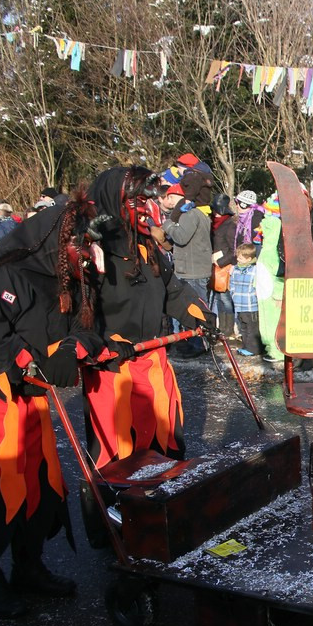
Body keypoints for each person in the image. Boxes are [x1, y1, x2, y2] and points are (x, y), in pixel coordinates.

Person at [0, 194, 109, 618]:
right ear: (60, 239)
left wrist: (73, 348)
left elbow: (89, 328)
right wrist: (26, 359)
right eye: (83, 244)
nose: (89, 255)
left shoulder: (72, 280)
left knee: (38, 487)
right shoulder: (4, 273)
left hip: (29, 399)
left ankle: (28, 566)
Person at [82, 168, 215, 473]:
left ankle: (165, 503)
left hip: (153, 363)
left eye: (147, 201)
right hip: (113, 369)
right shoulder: (91, 252)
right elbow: (77, 313)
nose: (146, 208)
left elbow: (171, 290)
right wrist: (105, 340)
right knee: (119, 453)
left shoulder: (145, 246)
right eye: (138, 200)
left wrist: (200, 314)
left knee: (163, 445)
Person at [161, 170, 215, 357]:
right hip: (194, 268)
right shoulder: (196, 213)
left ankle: (199, 345)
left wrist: (167, 225)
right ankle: (197, 344)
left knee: (196, 310)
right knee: (197, 309)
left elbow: (181, 237)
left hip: (192, 271)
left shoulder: (190, 214)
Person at [256, 193, 286, 363]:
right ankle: (274, 348)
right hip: (267, 271)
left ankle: (275, 349)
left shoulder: (273, 224)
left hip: (268, 271)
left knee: (270, 313)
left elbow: (275, 255)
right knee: (270, 312)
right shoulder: (277, 224)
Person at [209, 193, 237, 341]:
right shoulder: (213, 224)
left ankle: (229, 328)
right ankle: (223, 327)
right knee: (219, 298)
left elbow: (234, 249)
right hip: (215, 265)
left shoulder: (230, 225)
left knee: (225, 298)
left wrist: (220, 262)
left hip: (224, 265)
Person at [230, 243, 261, 356]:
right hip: (239, 304)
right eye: (238, 256)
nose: (238, 258)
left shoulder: (254, 270)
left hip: (251, 305)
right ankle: (246, 346)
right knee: (243, 327)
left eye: (240, 257)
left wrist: (255, 296)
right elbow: (232, 283)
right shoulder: (236, 269)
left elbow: (258, 286)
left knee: (252, 328)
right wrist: (233, 294)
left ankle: (254, 349)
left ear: (249, 258)